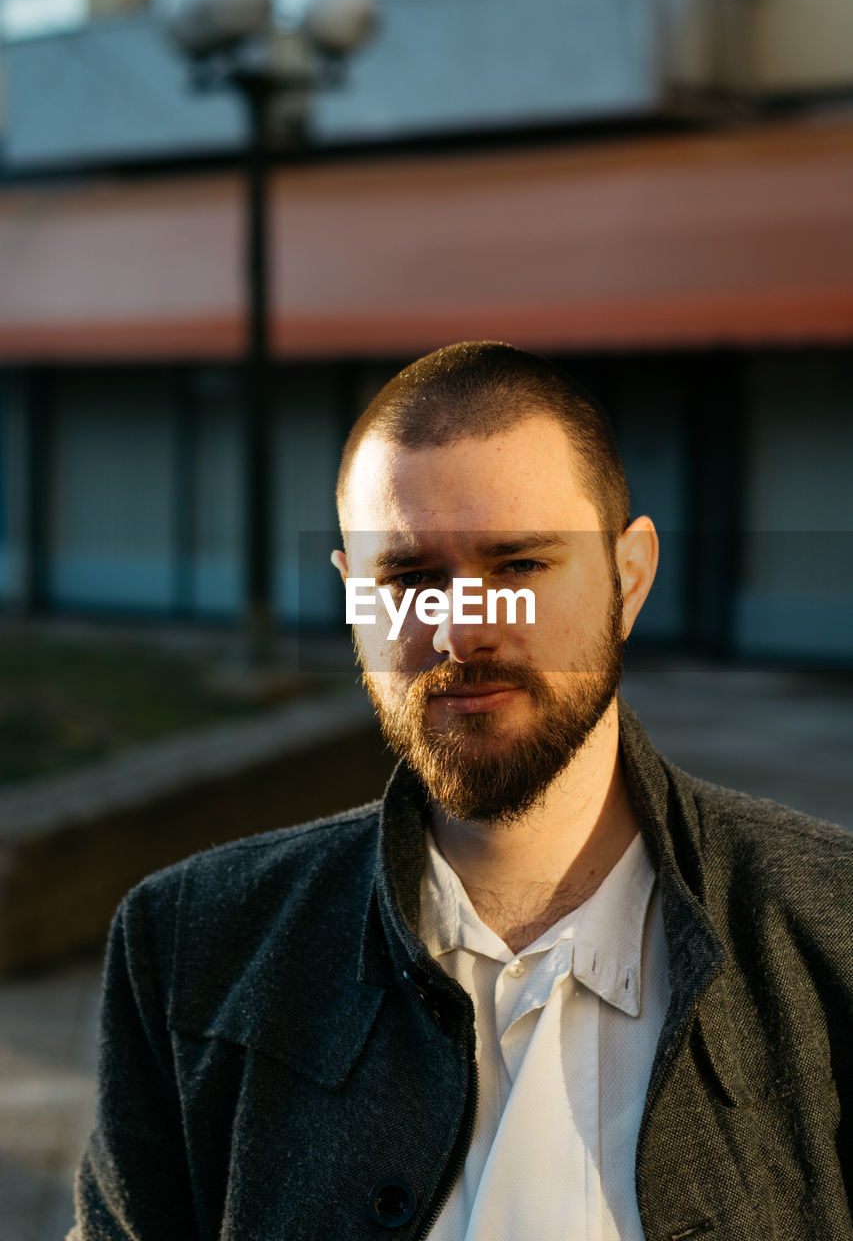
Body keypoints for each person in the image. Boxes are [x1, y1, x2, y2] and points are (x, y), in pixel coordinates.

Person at [72, 342, 852, 1241]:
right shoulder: (189, 949)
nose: (462, 630)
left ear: (628, 579)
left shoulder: (830, 929)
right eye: (408, 578)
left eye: (519, 564)